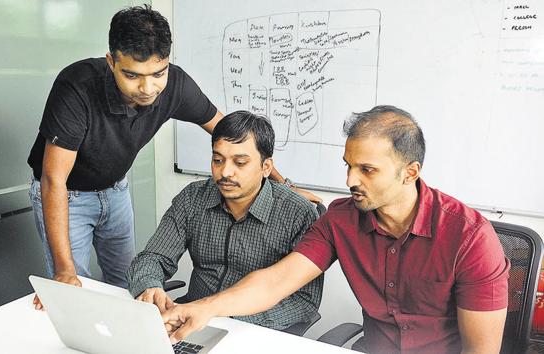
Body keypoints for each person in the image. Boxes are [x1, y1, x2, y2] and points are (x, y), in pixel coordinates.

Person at [27, 5, 319, 308]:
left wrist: (283, 185)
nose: (147, 88)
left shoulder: (176, 84)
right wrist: (64, 270)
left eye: (158, 73)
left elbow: (235, 136)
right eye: (132, 75)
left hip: (115, 189)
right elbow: (53, 178)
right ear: (111, 62)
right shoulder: (77, 86)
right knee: (75, 289)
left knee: (122, 284)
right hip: (66, 194)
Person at [161, 105, 510, 353]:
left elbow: (481, 349)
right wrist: (206, 307)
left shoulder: (469, 238)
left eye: (367, 170)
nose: (349, 180)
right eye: (348, 166)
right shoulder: (341, 219)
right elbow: (275, 281)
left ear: (410, 172)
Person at [126, 111, 323, 330]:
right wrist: (150, 287)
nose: (225, 172)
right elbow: (154, 257)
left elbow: (304, 301)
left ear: (266, 167)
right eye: (218, 160)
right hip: (188, 321)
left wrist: (225, 320)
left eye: (240, 163)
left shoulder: (297, 213)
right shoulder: (193, 199)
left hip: (253, 330)